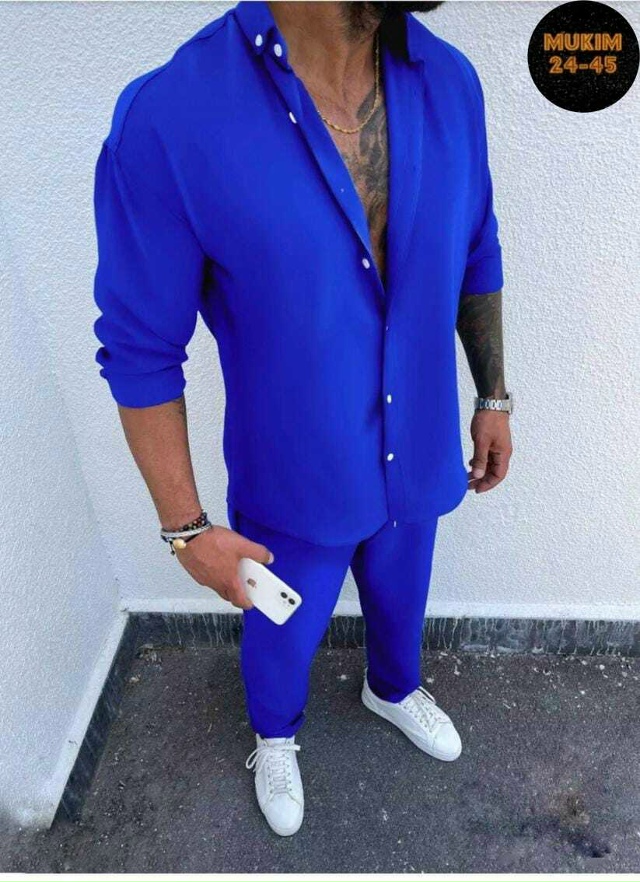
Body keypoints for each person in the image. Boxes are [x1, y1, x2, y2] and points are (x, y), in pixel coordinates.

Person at [92, 0, 513, 837]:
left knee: (403, 600)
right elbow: (141, 349)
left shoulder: (451, 82)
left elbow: (477, 246)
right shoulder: (175, 116)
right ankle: (275, 735)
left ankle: (393, 689)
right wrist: (186, 529)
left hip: (421, 447)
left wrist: (493, 394)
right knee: (282, 634)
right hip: (293, 477)